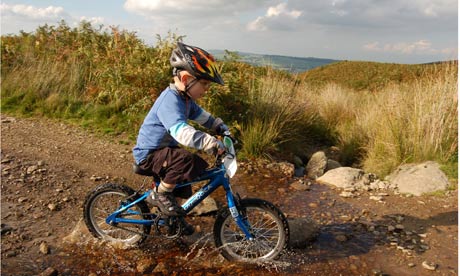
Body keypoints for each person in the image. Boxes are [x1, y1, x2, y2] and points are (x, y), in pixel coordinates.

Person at [132, 42, 229, 232]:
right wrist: (210, 142)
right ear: (185, 79)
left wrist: (220, 127)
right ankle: (159, 195)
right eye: (204, 84)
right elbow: (181, 132)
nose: (206, 89)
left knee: (186, 177)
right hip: (149, 155)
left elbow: (203, 117)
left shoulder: (186, 100)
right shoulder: (170, 100)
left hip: (163, 153)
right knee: (184, 159)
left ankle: (171, 218)